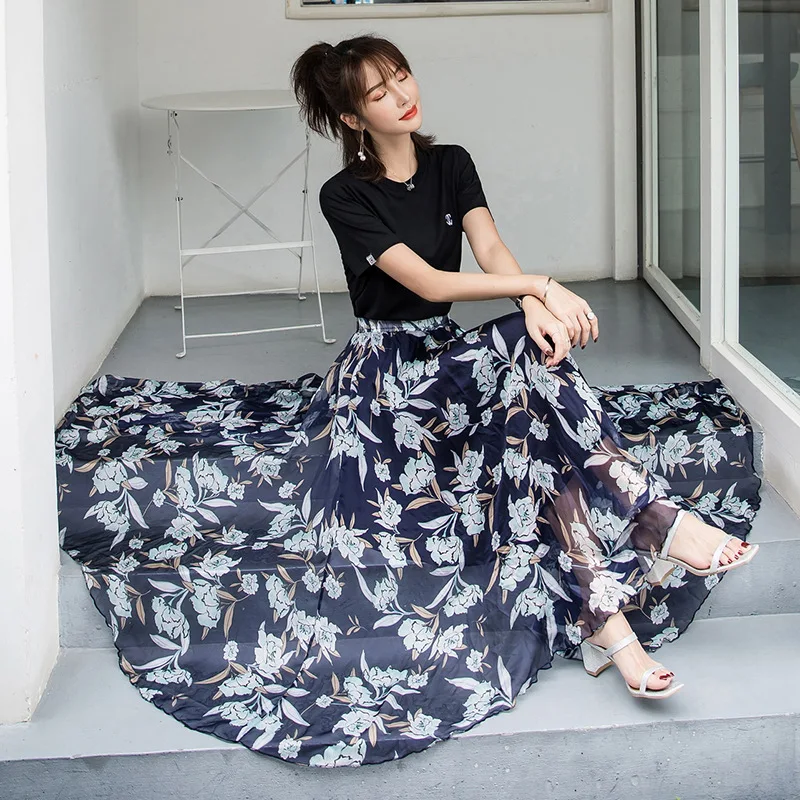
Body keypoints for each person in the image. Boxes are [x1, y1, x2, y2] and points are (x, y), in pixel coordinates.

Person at [53, 34, 760, 768]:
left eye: (401, 77)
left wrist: (531, 300)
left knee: (526, 412)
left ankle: (610, 621)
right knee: (524, 376)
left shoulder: (452, 163)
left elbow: (490, 251)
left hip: (446, 360)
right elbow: (428, 282)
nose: (401, 95)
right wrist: (543, 289)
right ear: (352, 117)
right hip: (386, 381)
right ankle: (650, 532)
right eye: (379, 92)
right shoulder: (345, 195)